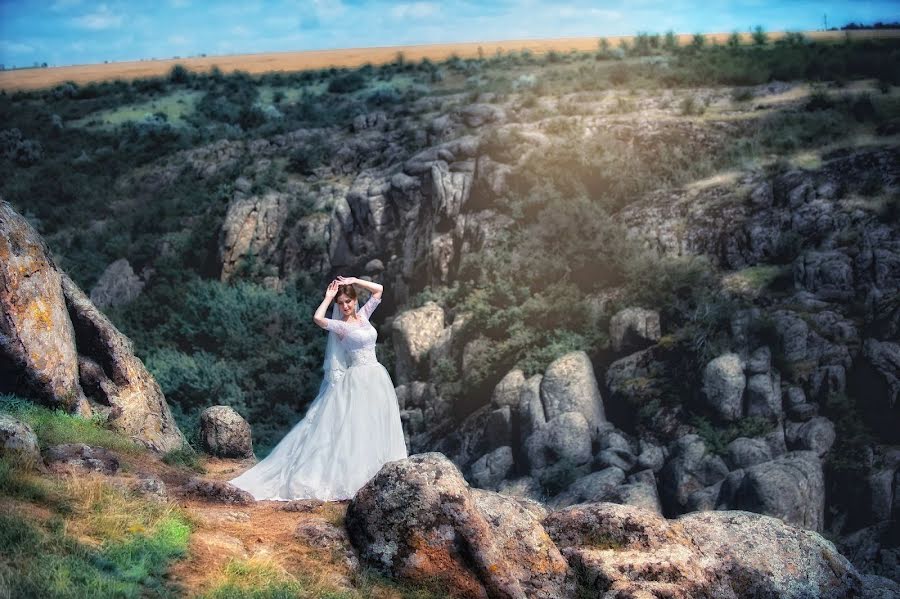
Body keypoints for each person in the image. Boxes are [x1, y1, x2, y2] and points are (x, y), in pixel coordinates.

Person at [229, 275, 408, 500]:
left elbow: (379, 290)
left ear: (354, 301)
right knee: (355, 427)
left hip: (377, 376)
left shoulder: (364, 316)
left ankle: (377, 473)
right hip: (357, 380)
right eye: (341, 304)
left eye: (348, 302)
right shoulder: (341, 327)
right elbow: (318, 318)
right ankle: (353, 477)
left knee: (375, 422)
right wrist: (328, 297)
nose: (344, 306)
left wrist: (355, 280)